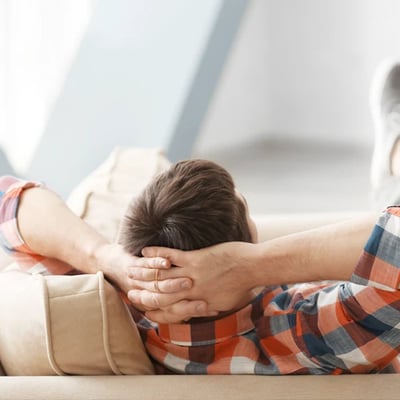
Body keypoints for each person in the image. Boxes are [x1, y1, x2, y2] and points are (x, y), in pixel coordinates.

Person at [0, 59, 399, 374]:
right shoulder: (304, 334)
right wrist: (248, 266)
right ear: (238, 252)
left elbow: (8, 199)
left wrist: (105, 258)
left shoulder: (124, 306)